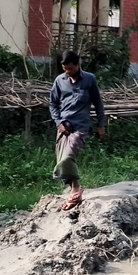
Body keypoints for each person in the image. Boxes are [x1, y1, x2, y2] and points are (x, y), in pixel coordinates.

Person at [49, 50, 105, 210]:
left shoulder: (89, 79)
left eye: (70, 69)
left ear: (77, 65)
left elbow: (98, 104)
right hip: (64, 126)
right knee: (61, 160)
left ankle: (75, 190)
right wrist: (59, 122)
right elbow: (53, 104)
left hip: (81, 126)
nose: (67, 72)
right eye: (64, 69)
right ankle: (75, 189)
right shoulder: (59, 80)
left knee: (67, 157)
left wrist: (101, 125)